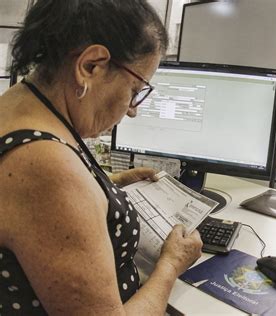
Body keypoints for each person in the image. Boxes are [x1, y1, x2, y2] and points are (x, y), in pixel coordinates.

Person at [0, 0, 202, 314]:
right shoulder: (45, 165)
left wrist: (106, 183)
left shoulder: (20, 105)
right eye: (135, 89)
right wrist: (171, 264)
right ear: (90, 66)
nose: (133, 110)